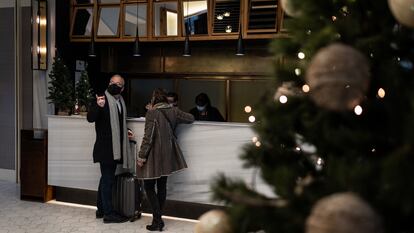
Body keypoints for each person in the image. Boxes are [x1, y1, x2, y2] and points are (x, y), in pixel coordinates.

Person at [136, 88, 194, 231]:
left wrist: (142, 156)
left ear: (154, 100)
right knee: (162, 186)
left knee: (149, 186)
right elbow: (191, 118)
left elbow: (148, 137)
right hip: (168, 154)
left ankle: (157, 220)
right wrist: (175, 110)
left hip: (154, 154)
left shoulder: (152, 113)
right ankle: (158, 220)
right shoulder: (173, 111)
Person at [87, 74, 132, 224]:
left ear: (122, 88)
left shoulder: (120, 102)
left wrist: (126, 131)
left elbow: (118, 123)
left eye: (117, 84)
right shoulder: (102, 99)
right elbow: (90, 118)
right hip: (105, 148)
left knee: (105, 178)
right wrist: (98, 107)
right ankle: (108, 213)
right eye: (112, 82)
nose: (114, 85)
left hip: (114, 148)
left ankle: (101, 210)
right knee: (108, 179)